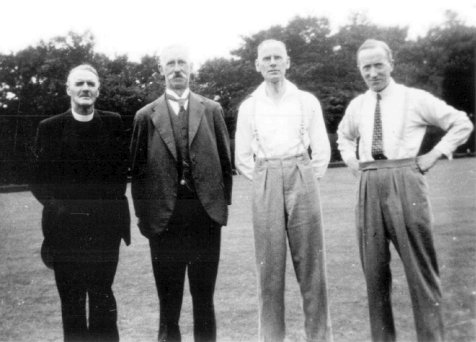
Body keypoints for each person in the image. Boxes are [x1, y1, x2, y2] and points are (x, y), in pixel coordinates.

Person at [337, 39, 474, 342]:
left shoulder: (414, 98)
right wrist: (351, 160)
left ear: (391, 63)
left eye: (378, 65)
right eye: (366, 67)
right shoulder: (358, 105)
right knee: (374, 275)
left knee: (420, 272)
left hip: (406, 179)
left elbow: (461, 123)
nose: (373, 73)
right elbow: (344, 136)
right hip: (369, 182)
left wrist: (434, 154)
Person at [130, 44, 232, 342]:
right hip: (164, 220)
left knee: (204, 298)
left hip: (205, 217)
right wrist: (144, 217)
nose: (177, 68)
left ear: (191, 68)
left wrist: (220, 207)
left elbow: (225, 165)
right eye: (170, 63)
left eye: (182, 63)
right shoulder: (144, 116)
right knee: (168, 301)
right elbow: (136, 173)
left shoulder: (212, 110)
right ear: (161, 69)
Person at [235, 39, 333, 342]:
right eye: (267, 58)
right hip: (265, 176)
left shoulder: (305, 101)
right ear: (258, 65)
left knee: (312, 267)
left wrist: (306, 176)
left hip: (301, 174)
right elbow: (241, 157)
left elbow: (321, 149)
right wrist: (266, 178)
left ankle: (319, 337)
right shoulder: (249, 106)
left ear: (288, 62)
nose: (273, 63)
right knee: (269, 270)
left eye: (278, 57)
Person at [31, 64, 131, 342]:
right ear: (69, 90)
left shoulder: (113, 123)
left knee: (102, 299)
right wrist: (62, 209)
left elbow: (119, 174)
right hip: (64, 232)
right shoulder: (49, 128)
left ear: (98, 90)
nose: (85, 88)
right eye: (79, 84)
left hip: (105, 231)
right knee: (72, 304)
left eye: (90, 83)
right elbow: (38, 181)